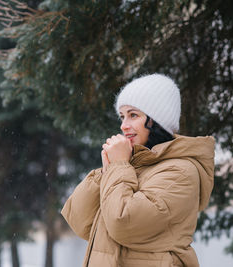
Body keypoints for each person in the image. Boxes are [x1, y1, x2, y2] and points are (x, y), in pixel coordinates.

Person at [61, 74, 215, 267]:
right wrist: (106, 172)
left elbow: (122, 223)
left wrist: (118, 167)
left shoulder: (180, 172)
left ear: (157, 121)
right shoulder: (130, 168)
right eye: (122, 116)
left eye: (133, 115)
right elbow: (81, 222)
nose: (124, 126)